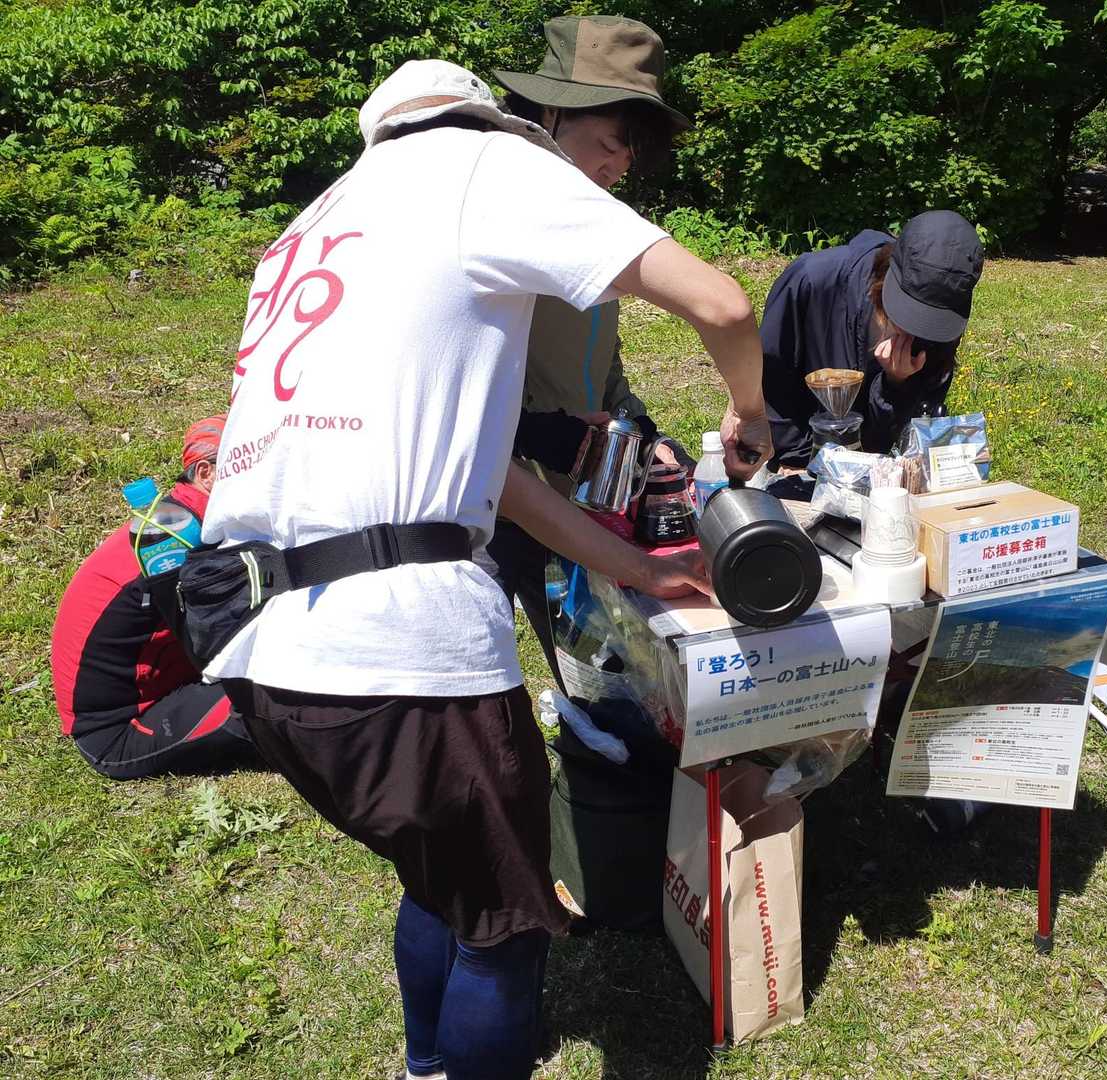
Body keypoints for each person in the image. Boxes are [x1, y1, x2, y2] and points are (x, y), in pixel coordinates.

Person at [202, 59, 770, 1080]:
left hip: (265, 644)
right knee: (505, 928)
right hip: (402, 650)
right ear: (506, 120)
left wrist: (637, 568)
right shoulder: (486, 167)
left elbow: (494, 475)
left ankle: (425, 1065)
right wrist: (750, 412)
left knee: (444, 880)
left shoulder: (314, 225)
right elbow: (723, 306)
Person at [487, 14, 691, 682]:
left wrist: (645, 434)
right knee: (504, 671)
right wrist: (542, 435)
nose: (618, 167)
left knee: (600, 668)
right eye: (609, 143)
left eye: (630, 155)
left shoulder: (595, 232)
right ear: (550, 115)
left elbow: (604, 362)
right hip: (493, 496)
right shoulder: (490, 216)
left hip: (575, 498)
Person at [50, 415, 261, 780]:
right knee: (277, 704)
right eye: (251, 467)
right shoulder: (172, 543)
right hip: (118, 732)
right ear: (207, 473)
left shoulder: (185, 521)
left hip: (172, 683)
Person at [760, 210, 985, 483]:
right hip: (797, 466)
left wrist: (896, 385)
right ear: (888, 273)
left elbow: (897, 444)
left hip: (874, 477)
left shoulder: (940, 334)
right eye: (908, 312)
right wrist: (794, 458)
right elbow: (771, 377)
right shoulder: (813, 280)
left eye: (929, 321)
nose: (915, 330)